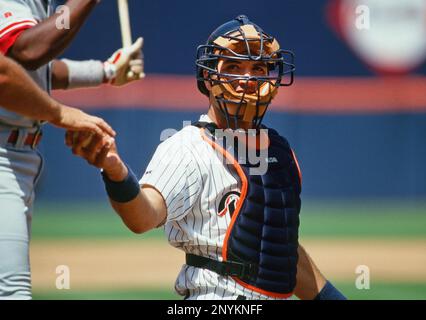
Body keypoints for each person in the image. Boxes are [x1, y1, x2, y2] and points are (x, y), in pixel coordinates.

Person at [67, 15, 346, 300]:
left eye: (258, 67)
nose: (247, 79)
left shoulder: (278, 150)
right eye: (234, 66)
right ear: (210, 78)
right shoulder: (189, 146)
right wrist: (116, 172)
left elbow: (280, 251)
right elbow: (143, 216)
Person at [0, 0, 143, 299]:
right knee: (12, 293)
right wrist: (59, 112)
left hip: (17, 154)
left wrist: (105, 71)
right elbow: (23, 55)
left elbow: (34, 69)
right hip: (5, 154)